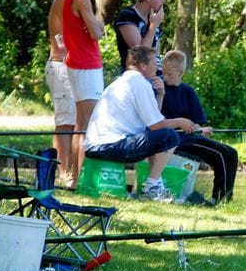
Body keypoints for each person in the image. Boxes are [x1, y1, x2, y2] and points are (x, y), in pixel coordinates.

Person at [84, 45, 195, 201]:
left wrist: (160, 95)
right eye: (154, 63)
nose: (157, 68)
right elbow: (157, 126)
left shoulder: (125, 81)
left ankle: (155, 184)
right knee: (170, 137)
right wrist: (181, 121)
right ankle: (151, 187)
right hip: (109, 146)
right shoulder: (139, 83)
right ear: (143, 65)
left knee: (160, 137)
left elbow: (153, 121)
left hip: (97, 145)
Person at [160, 50, 239, 204]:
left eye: (169, 74)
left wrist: (201, 130)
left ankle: (226, 199)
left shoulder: (188, 92)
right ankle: (219, 199)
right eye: (163, 72)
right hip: (177, 140)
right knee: (221, 154)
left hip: (191, 138)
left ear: (180, 73)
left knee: (232, 153)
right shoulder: (160, 90)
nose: (165, 77)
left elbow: (196, 123)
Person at [62, 0, 108, 190]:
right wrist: (98, 26)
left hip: (81, 62)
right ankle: (79, 179)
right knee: (88, 123)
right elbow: (96, 32)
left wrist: (96, 26)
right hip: (85, 63)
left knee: (82, 124)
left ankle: (75, 177)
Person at [45, 0, 74, 185]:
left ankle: (69, 171)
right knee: (66, 122)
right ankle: (63, 173)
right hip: (62, 65)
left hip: (70, 66)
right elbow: (62, 42)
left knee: (72, 121)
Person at [114, 0, 168, 70]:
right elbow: (141, 55)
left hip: (153, 75)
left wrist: (160, 75)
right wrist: (153, 26)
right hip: (135, 74)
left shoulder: (153, 19)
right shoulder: (127, 16)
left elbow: (156, 56)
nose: (163, 1)